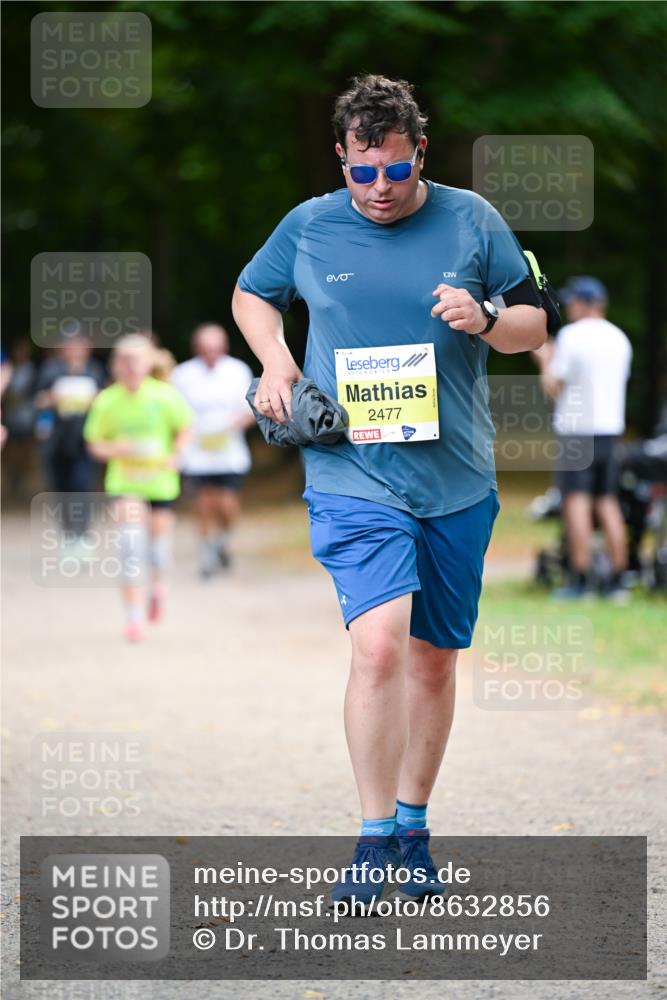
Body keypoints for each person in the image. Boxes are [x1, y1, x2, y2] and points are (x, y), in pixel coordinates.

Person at [232, 74, 548, 906]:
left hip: (455, 476)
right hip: (350, 469)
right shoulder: (308, 224)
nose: (377, 190)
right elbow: (251, 294)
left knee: (433, 664)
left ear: (420, 156)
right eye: (360, 172)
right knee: (377, 646)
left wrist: (483, 316)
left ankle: (413, 826)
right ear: (341, 157)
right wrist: (277, 361)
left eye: (395, 172)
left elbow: (531, 324)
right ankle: (372, 840)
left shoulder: (472, 220)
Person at [84, 335, 192, 642]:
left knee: (158, 552)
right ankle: (133, 618)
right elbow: (93, 445)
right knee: (131, 549)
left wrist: (176, 455)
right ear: (116, 365)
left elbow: (186, 428)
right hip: (124, 484)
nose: (130, 366)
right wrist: (114, 448)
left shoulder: (165, 396)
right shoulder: (106, 400)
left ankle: (158, 588)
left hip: (160, 484)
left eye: (137, 360)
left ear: (148, 363)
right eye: (125, 360)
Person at [533, 275, 632, 600]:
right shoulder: (620, 338)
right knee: (607, 501)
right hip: (610, 429)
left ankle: (580, 578)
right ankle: (618, 578)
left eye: (573, 301)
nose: (569, 306)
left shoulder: (572, 337)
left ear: (585, 302)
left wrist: (544, 360)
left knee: (575, 502)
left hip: (577, 431)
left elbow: (555, 386)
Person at [171, 324, 254, 577]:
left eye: (216, 349)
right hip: (197, 452)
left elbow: (251, 410)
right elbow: (174, 412)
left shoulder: (238, 371)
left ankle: (223, 541)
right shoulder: (182, 374)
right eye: (206, 349)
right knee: (204, 503)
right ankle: (207, 556)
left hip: (229, 450)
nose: (211, 354)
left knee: (226, 504)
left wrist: (237, 423)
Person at [33, 335, 106, 540]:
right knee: (61, 488)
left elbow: (106, 400)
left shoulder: (95, 370)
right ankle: (68, 534)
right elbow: (37, 401)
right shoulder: (51, 370)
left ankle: (83, 533)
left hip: (85, 439)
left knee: (82, 486)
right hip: (57, 440)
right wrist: (53, 399)